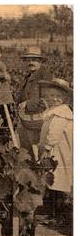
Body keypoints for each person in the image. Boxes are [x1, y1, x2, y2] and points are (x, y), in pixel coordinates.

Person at [38, 78, 73, 226]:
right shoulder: (54, 111)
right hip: (57, 150)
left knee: (57, 179)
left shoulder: (61, 113)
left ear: (65, 98)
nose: (54, 99)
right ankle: (52, 212)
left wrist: (46, 148)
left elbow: (54, 133)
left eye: (58, 96)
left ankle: (59, 216)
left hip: (58, 150)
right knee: (53, 179)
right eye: (51, 96)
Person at [16, 46, 53, 157]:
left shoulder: (45, 75)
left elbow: (47, 98)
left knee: (42, 148)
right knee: (32, 148)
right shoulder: (28, 76)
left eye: (34, 59)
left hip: (41, 118)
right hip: (29, 119)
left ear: (40, 61)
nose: (31, 62)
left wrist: (27, 104)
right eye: (29, 59)